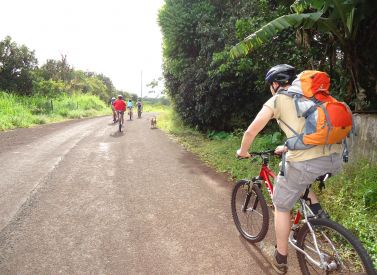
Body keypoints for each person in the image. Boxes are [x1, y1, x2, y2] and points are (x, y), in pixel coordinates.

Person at [236, 64, 342, 274]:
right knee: (301, 181)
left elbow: (251, 131)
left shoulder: (277, 99)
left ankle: (281, 258)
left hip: (306, 161)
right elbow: (312, 131)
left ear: (275, 84)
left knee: (281, 206)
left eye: (270, 85)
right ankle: (320, 221)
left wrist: (243, 151)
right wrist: (286, 146)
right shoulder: (312, 96)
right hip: (334, 158)